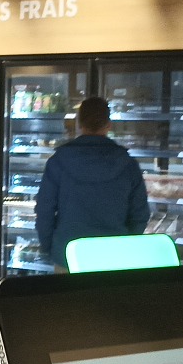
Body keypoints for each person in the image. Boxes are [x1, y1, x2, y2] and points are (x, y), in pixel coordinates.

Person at [33, 96, 148, 269]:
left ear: (79, 124)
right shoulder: (128, 165)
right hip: (114, 256)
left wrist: (52, 248)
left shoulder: (58, 162)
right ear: (108, 125)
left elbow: (44, 211)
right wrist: (124, 246)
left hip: (68, 255)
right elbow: (140, 215)